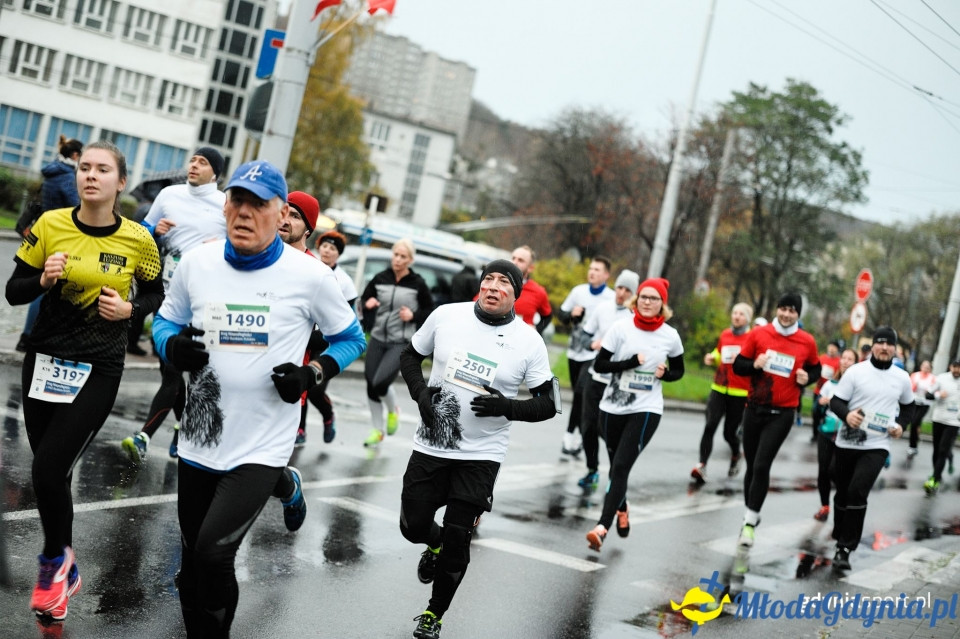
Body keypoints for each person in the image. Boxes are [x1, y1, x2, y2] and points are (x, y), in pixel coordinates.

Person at [151, 159, 366, 637]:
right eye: (238, 201)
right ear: (225, 206)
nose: (245, 213)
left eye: (259, 204)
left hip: (261, 447)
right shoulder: (199, 262)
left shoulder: (310, 277)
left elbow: (352, 339)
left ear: (281, 213)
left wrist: (311, 373)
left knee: (212, 551)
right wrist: (171, 344)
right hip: (201, 439)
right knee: (192, 565)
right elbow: (163, 320)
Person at [5, 140, 163, 620]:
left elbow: (157, 293)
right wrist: (43, 282)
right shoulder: (50, 226)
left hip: (98, 367)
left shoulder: (139, 239)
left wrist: (129, 310)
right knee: (55, 473)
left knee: (47, 470)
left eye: (102, 169)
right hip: (45, 364)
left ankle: (53, 565)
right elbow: (14, 292)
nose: (90, 175)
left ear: (120, 182)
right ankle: (66, 563)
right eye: (84, 168)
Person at [397, 259, 557, 639]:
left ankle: (434, 615)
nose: (493, 287)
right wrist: (421, 395)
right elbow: (409, 356)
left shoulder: (528, 340)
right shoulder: (446, 315)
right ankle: (431, 545)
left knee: (458, 535)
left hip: (482, 454)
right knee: (412, 525)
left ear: (516, 294)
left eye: (504, 282)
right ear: (480, 285)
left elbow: (549, 403)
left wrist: (508, 407)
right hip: (433, 444)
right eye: (489, 279)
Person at [120, 148, 226, 463]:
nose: (194, 165)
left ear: (215, 173)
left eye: (202, 162)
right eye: (192, 159)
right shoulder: (169, 194)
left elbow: (239, 242)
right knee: (167, 366)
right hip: (166, 292)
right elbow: (143, 236)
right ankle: (180, 430)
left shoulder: (225, 204)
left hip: (202, 297)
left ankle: (144, 437)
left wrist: (220, 245)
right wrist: (155, 231)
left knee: (172, 370)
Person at [585, 277, 684, 552]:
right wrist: (631, 362)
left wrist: (667, 374)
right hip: (612, 406)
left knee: (620, 467)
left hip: (646, 408)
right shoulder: (621, 328)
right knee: (618, 466)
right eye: (643, 297)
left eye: (654, 298)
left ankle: (601, 527)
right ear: (636, 300)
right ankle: (622, 505)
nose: (648, 302)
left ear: (662, 304)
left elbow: (679, 370)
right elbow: (600, 364)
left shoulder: (670, 335)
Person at [731, 292, 820, 548]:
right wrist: (755, 364)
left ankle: (749, 522)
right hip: (754, 407)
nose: (786, 314)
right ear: (777, 309)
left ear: (798, 314)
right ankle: (752, 510)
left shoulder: (806, 341)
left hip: (782, 412)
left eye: (792, 310)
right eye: (783, 308)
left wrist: (808, 377)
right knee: (752, 465)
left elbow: (814, 368)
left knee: (761, 465)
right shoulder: (759, 334)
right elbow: (739, 365)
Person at [828, 327, 912, 570]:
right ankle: (840, 531)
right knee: (843, 492)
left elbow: (908, 408)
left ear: (895, 349)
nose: (884, 348)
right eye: (880, 343)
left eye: (889, 344)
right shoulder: (856, 372)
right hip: (847, 441)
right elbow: (836, 401)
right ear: (873, 345)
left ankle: (845, 548)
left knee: (857, 491)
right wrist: (847, 415)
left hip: (877, 444)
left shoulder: (902, 377)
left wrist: (901, 426)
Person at [361, 238, 434, 447]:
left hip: (401, 341)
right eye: (395, 255)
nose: (398, 259)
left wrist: (412, 315)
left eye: (403, 256)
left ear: (410, 260)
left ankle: (393, 411)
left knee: (380, 382)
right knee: (370, 385)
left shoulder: (417, 283)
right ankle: (377, 430)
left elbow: (430, 311)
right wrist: (368, 304)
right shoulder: (380, 278)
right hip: (377, 337)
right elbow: (363, 301)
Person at [17, 136, 85, 353]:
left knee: (42, 284)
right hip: (61, 236)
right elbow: (76, 206)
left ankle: (27, 336)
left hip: (45, 233)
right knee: (45, 287)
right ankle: (30, 336)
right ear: (75, 156)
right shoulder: (66, 177)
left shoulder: (53, 172)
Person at [575, 269, 640, 491]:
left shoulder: (634, 317)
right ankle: (592, 470)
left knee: (608, 431)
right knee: (588, 428)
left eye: (627, 290)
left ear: (634, 294)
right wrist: (591, 344)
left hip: (617, 382)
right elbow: (584, 335)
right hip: (596, 377)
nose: (621, 293)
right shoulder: (603, 308)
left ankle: (616, 474)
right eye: (620, 287)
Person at [278, 190, 323, 446]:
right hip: (247, 372)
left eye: (295, 216)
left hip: (289, 380)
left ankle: (287, 486)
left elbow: (332, 336)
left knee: (270, 465)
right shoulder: (259, 257)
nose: (285, 219)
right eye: (283, 211)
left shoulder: (316, 273)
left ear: (308, 229)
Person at [557, 257, 614, 457]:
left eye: (597, 269)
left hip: (594, 353)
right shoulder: (578, 292)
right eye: (591, 268)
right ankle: (583, 432)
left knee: (581, 393)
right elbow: (561, 316)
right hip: (575, 351)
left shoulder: (611, 298)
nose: (592, 272)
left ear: (606, 274)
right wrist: (572, 314)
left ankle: (571, 435)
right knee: (578, 396)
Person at [691, 302, 753, 484]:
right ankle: (701, 465)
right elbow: (719, 352)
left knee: (729, 433)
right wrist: (712, 357)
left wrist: (742, 361)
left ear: (747, 318)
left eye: (741, 314)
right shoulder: (725, 334)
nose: (737, 316)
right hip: (719, 387)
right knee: (710, 425)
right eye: (734, 313)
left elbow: (755, 363)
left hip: (739, 392)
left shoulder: (752, 338)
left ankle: (735, 453)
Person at [305, 229, 358, 445]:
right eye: (325, 246)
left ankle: (328, 416)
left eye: (333, 248)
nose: (327, 250)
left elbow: (350, 316)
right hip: (306, 335)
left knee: (315, 389)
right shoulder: (310, 267)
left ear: (339, 254)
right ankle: (299, 430)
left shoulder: (344, 281)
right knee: (301, 385)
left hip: (327, 339)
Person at [813, 347, 858, 522]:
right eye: (844, 358)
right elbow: (817, 411)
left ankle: (844, 500)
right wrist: (821, 404)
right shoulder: (830, 384)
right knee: (823, 471)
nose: (846, 361)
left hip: (846, 434)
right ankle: (825, 506)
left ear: (856, 364)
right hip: (826, 432)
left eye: (850, 359)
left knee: (835, 471)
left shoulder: (858, 387)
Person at [923, 359, 960, 494]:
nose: (956, 370)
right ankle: (936, 473)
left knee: (943, 450)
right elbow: (928, 394)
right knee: (937, 449)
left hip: (954, 422)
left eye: (959, 368)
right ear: (950, 366)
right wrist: (938, 395)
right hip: (938, 418)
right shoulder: (941, 378)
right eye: (954, 367)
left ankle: (934, 479)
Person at [509, 245, 552, 334]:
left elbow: (547, 316)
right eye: (513, 258)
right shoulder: (495, 283)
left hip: (521, 341)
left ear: (530, 268)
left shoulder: (538, 291)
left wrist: (536, 330)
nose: (515, 262)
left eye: (520, 260)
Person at [810, 341, 841, 442]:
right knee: (815, 413)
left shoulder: (839, 362)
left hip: (830, 394)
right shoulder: (822, 358)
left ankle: (822, 434)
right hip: (819, 391)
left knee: (825, 415)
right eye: (830, 346)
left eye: (834, 347)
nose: (832, 349)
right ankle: (815, 434)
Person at [907, 360, 935, 459]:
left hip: (924, 404)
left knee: (914, 423)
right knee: (914, 424)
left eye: (928, 367)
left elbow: (933, 392)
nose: (925, 368)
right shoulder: (915, 375)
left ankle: (913, 446)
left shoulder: (932, 378)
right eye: (924, 366)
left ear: (930, 368)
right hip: (915, 402)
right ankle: (913, 444)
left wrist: (929, 393)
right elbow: (909, 388)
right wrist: (914, 386)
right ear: (921, 366)